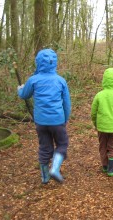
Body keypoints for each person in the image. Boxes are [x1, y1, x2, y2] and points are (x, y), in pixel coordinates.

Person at [17, 49, 71, 184]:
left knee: (45, 147)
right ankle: (55, 169)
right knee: (62, 144)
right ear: (55, 63)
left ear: (38, 63)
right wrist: (65, 118)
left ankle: (45, 177)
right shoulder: (60, 81)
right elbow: (67, 103)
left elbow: (24, 95)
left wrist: (20, 89)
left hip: (41, 121)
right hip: (57, 120)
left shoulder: (33, 80)